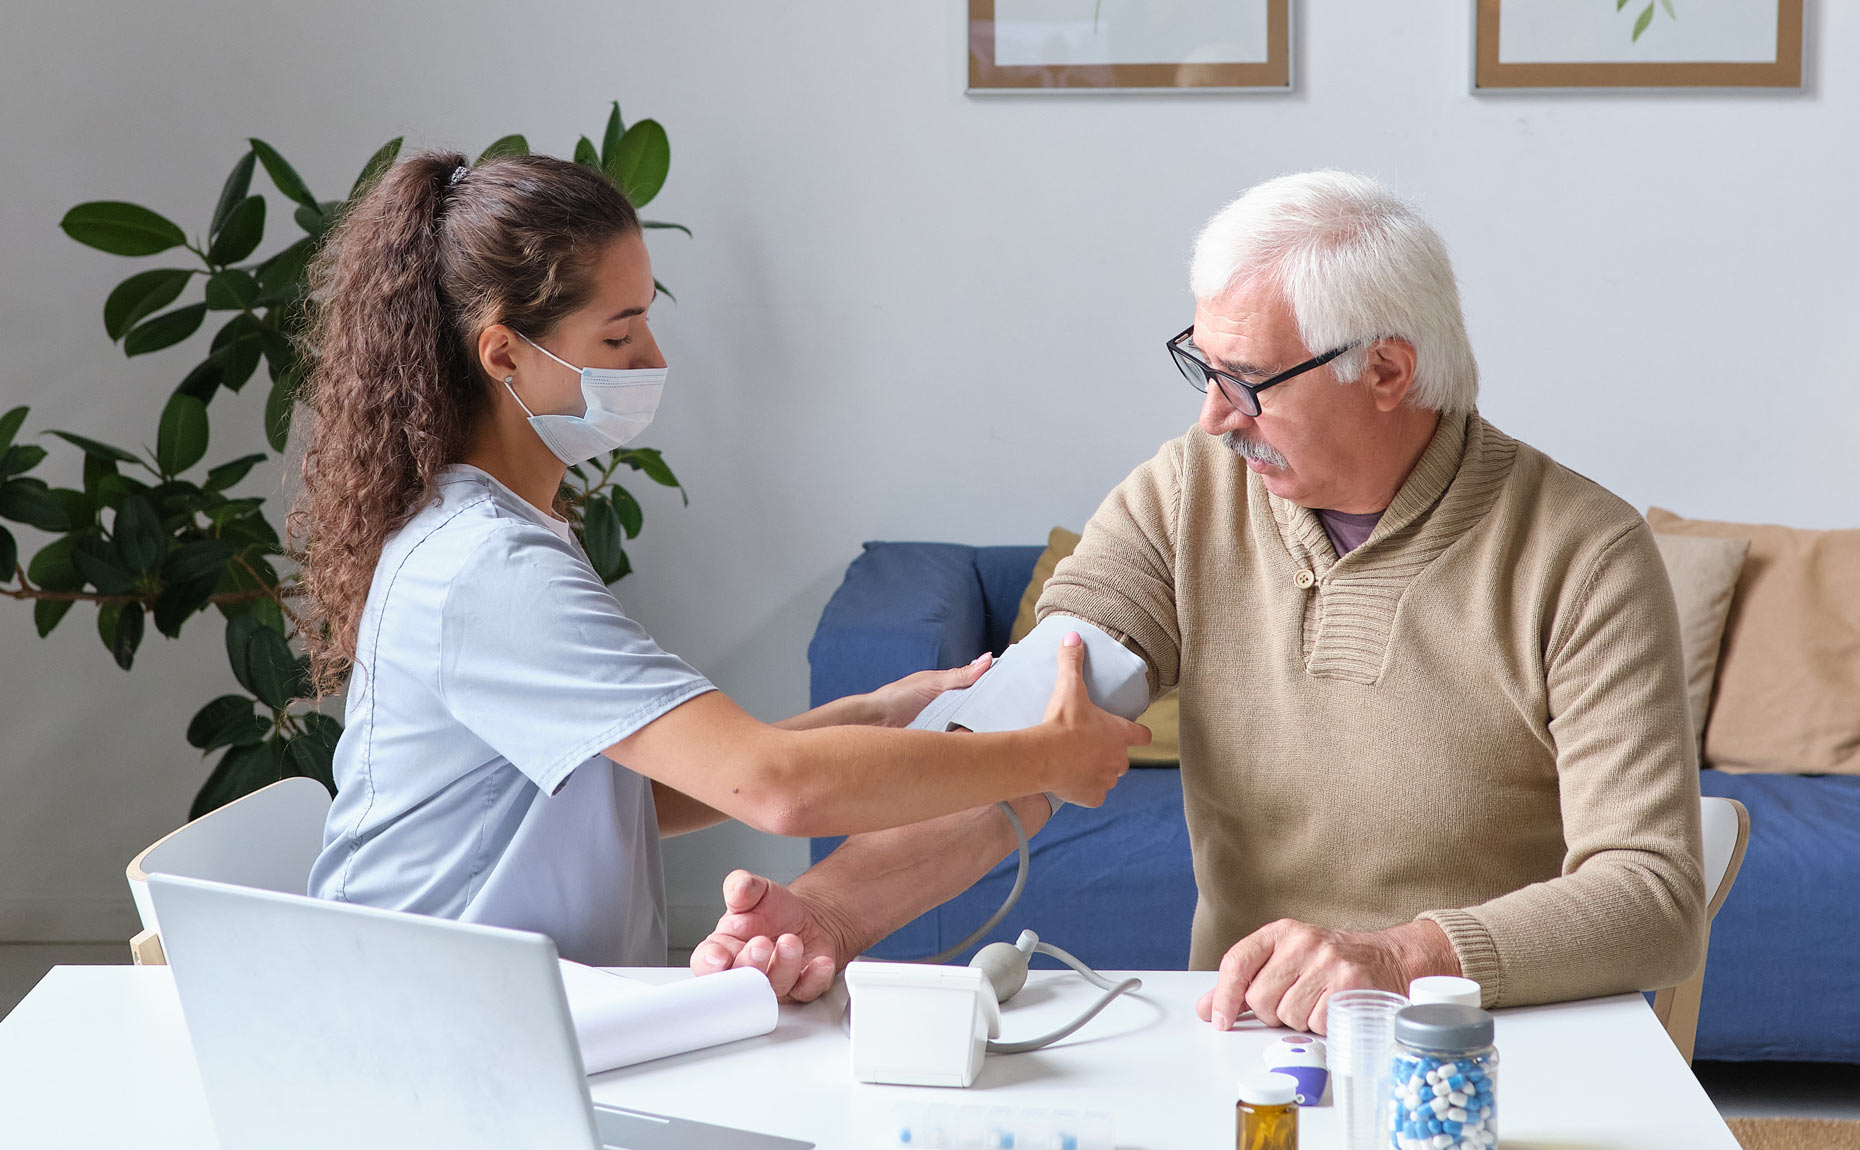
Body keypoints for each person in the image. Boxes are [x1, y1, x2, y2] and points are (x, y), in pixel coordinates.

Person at [693, 170, 1706, 1030]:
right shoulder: (1186, 496)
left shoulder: (1583, 552)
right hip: (1257, 1035)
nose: (1215, 416)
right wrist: (824, 914)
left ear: (1388, 369)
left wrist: (1398, 958)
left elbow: (1653, 896)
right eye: (1202, 365)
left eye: (1249, 381)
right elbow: (1024, 747)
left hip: (1485, 1039)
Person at [294, 150, 1148, 966]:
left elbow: (639, 796)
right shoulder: (489, 569)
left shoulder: (499, 532)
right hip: (440, 1015)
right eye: (621, 336)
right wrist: (1045, 757)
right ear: (505, 352)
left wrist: (879, 714)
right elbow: (774, 787)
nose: (654, 360)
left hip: (506, 1002)